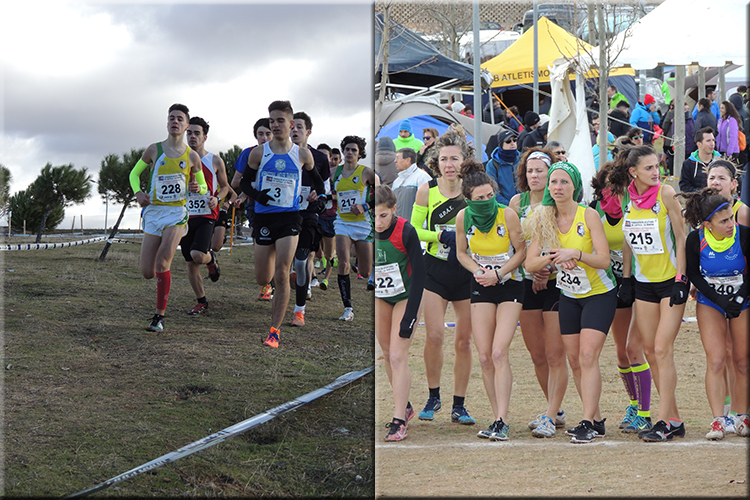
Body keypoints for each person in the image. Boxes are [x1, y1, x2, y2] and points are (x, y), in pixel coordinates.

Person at [525, 161, 617, 444]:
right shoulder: (545, 217)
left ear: (574, 186)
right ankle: (597, 418)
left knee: (588, 356)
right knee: (575, 360)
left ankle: (587, 423)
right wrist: (554, 258)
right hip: (569, 295)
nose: (557, 187)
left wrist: (575, 253)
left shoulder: (588, 215)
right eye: (553, 182)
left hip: (599, 294)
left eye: (564, 182)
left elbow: (603, 259)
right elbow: (530, 263)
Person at [608, 145, 689, 442]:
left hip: (670, 281)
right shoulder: (626, 197)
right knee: (650, 353)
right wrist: (626, 280)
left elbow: (682, 237)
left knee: (662, 349)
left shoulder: (666, 193)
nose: (656, 173)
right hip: (643, 284)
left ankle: (663, 421)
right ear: (633, 172)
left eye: (658, 166)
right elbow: (628, 240)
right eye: (649, 168)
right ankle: (675, 419)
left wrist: (682, 277)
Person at [239, 100, 324, 348]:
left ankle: (274, 331)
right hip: (264, 218)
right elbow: (244, 184)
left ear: (290, 124)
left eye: (280, 121)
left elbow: (319, 185)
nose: (275, 125)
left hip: (290, 217)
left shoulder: (302, 154)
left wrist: (317, 200)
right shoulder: (259, 152)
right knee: (262, 277)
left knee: (283, 271)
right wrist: (258, 196)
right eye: (271, 121)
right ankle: (273, 285)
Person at [411, 125, 476, 425]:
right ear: (435, 162)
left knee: (463, 342)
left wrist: (465, 237)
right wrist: (440, 237)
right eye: (444, 159)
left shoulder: (474, 189)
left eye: (455, 159)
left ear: (465, 160)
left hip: (466, 272)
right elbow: (414, 231)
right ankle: (433, 396)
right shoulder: (427, 189)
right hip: (434, 270)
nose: (450, 165)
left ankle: (459, 405)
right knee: (434, 336)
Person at [455, 166, 526, 441]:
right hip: (481, 285)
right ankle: (496, 417)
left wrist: (500, 273)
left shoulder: (507, 214)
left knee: (499, 352)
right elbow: (461, 253)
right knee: (484, 356)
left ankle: (503, 419)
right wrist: (478, 271)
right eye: (480, 198)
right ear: (469, 199)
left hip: (509, 284)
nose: (487, 202)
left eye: (490, 196)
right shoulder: (463, 218)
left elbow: (521, 251)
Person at [508, 148, 570, 437]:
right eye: (530, 170)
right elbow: (516, 245)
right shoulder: (517, 202)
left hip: (557, 280)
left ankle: (549, 414)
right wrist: (531, 269)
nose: (534, 175)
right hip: (524, 280)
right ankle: (553, 410)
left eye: (540, 171)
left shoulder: (559, 202)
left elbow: (568, 238)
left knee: (556, 353)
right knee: (537, 354)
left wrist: (545, 268)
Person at [128, 103, 207, 332]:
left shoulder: (192, 156)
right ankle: (160, 295)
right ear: (167, 122)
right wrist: (138, 193)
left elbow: (202, 187)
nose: (175, 121)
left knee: (164, 262)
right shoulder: (154, 149)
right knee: (147, 272)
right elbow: (134, 174)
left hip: (176, 214)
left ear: (187, 125)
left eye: (180, 119)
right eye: (171, 118)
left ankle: (159, 317)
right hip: (154, 213)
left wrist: (196, 187)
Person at [681, 187, 749, 440]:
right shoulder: (695, 239)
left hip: (741, 301)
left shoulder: (743, 235)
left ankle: (741, 416)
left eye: (731, 217)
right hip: (711, 302)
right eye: (724, 221)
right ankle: (719, 420)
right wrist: (720, 298)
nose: (731, 224)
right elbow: (694, 274)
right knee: (717, 359)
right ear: (708, 224)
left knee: (742, 361)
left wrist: (740, 296)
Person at [590, 163, 651, 434]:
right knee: (621, 351)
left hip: (641, 284)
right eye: (604, 192)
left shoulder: (634, 210)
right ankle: (633, 404)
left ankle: (645, 411)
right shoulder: (596, 217)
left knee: (636, 348)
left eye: (614, 191)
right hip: (614, 289)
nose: (609, 197)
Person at [375, 185, 425, 442]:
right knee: (386, 354)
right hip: (382, 297)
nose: (378, 222)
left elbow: (420, 275)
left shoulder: (406, 231)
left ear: (394, 210)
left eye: (384, 215)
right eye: (374, 216)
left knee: (397, 355)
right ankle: (404, 406)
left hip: (406, 296)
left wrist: (410, 315)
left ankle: (398, 420)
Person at [181, 116, 229, 315]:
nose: (192, 136)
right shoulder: (179, 159)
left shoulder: (214, 160)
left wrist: (217, 199)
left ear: (205, 136)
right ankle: (202, 301)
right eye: (189, 133)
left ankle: (210, 260)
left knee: (198, 254)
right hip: (185, 216)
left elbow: (226, 187)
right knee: (190, 262)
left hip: (207, 214)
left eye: (196, 133)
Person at [289, 111, 330, 327]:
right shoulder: (280, 155)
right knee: (273, 268)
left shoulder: (320, 159)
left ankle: (299, 312)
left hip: (308, 214)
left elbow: (326, 189)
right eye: (292, 126)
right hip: (283, 215)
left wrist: (319, 197)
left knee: (301, 261)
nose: (294, 131)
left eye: (299, 127)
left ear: (308, 132)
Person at [332, 135, 376, 321]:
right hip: (342, 222)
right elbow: (328, 192)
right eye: (347, 149)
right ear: (343, 151)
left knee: (365, 272)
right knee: (343, 262)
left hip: (363, 224)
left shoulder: (366, 172)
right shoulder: (334, 171)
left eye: (354, 150)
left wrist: (365, 206)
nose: (350, 153)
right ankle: (348, 308)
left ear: (359, 154)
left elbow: (383, 194)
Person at [231, 118, 275, 301]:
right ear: (255, 136)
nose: (264, 138)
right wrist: (248, 190)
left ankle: (278, 279)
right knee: (261, 242)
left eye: (268, 134)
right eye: (260, 134)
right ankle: (268, 284)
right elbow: (235, 182)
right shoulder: (248, 153)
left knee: (280, 244)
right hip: (255, 204)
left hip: (281, 205)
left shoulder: (283, 153)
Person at [392, 147, 432, 220]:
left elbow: (430, 204)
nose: (395, 161)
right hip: (400, 227)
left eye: (398, 158)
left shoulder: (422, 177)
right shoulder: (396, 182)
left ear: (408, 160)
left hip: (417, 228)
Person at [483, 129, 520, 205]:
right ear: (501, 144)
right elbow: (493, 191)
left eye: (514, 140)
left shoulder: (523, 159)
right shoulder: (492, 164)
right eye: (508, 141)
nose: (512, 143)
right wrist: (509, 206)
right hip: (504, 208)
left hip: (525, 206)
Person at [679, 127, 720, 193]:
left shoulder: (721, 161)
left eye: (713, 140)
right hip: (697, 201)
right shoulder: (688, 164)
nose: (712, 144)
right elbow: (684, 186)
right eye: (708, 141)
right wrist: (702, 193)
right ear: (699, 144)